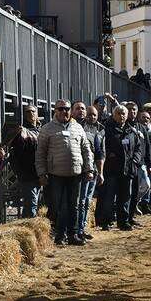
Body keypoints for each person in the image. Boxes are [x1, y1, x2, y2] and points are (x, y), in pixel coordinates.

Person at [36, 99, 94, 246]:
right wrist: (42, 173)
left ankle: (73, 234)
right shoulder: (47, 129)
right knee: (58, 206)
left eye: (67, 109)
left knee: (74, 205)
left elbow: (86, 150)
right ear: (55, 111)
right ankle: (59, 235)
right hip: (56, 174)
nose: (64, 111)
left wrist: (89, 169)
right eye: (60, 109)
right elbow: (40, 153)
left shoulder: (78, 128)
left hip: (75, 173)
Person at [99, 105, 138, 231]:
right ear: (114, 115)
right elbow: (104, 146)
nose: (122, 116)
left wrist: (135, 161)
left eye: (123, 113)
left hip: (128, 169)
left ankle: (123, 222)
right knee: (109, 196)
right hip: (112, 169)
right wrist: (110, 155)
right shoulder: (108, 129)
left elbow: (138, 147)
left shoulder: (131, 130)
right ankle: (106, 221)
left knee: (125, 197)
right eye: (119, 113)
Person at [73, 102, 104, 240]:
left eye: (83, 109)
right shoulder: (72, 127)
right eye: (78, 108)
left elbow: (99, 152)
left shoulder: (93, 129)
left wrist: (100, 172)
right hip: (79, 171)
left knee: (86, 201)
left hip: (92, 171)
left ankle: (82, 228)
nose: (81, 111)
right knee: (79, 202)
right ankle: (76, 230)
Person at [6, 105, 42, 218]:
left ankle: (27, 224)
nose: (31, 113)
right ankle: (29, 225)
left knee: (36, 203)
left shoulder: (41, 130)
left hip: (41, 171)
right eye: (27, 111)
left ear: (37, 114)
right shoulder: (20, 131)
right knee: (31, 203)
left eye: (33, 111)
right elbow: (13, 151)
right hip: (27, 172)